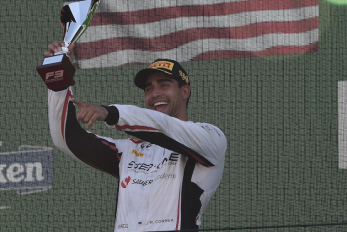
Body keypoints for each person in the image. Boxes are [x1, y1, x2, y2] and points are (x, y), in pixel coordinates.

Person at [45, 42, 227, 231]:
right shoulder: (128, 150)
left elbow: (164, 126)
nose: (155, 93)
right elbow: (66, 137)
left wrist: (110, 113)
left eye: (164, 85)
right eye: (148, 89)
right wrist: (59, 80)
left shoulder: (211, 138)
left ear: (185, 92)